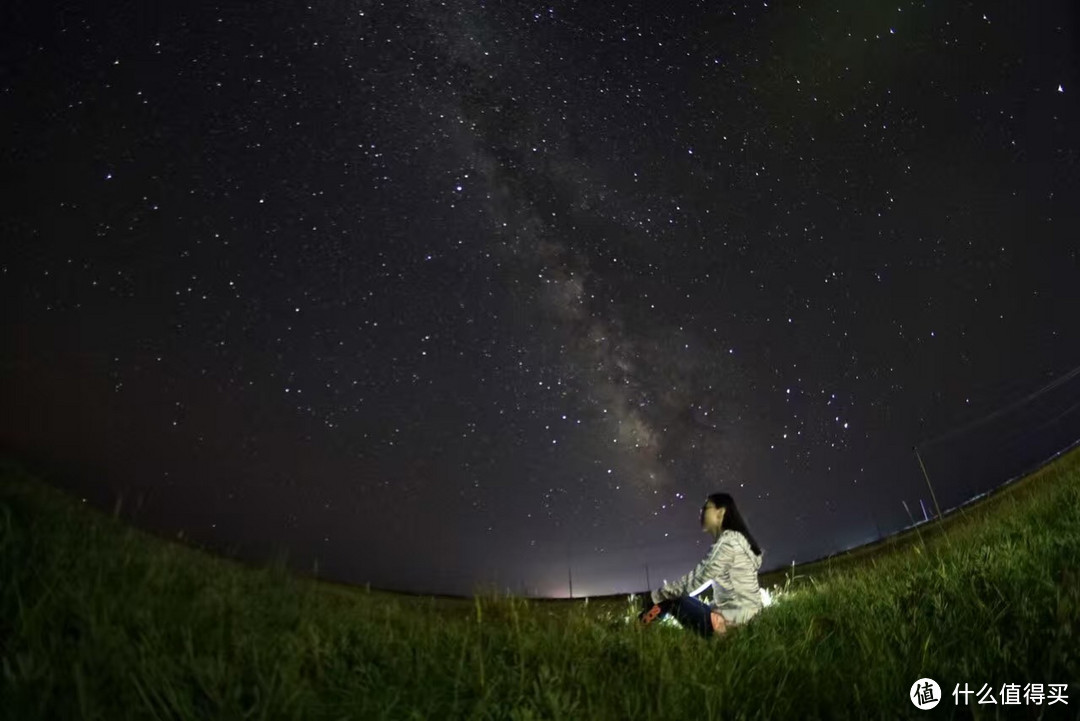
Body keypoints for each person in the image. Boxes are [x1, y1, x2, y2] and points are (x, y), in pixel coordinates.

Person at [639, 492, 764, 637]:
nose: (701, 512)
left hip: (732, 625)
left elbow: (698, 577)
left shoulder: (727, 544)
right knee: (674, 594)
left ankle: (638, 628)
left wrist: (656, 596)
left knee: (670, 597)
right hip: (748, 618)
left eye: (706, 507)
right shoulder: (738, 541)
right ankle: (643, 624)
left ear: (720, 513)